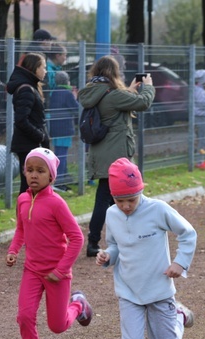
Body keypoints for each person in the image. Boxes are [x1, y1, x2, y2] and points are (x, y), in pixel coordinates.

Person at [95, 157, 197, 339]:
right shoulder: (111, 214)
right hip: (128, 291)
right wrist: (108, 256)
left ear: (141, 191)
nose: (126, 206)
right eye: (120, 201)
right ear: (113, 198)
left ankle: (180, 315)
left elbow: (188, 233)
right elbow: (116, 246)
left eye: (132, 199)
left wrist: (180, 263)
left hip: (159, 288)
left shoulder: (158, 209)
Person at [6, 147, 92, 339]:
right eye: (29, 170)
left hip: (57, 274)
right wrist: (14, 250)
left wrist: (61, 270)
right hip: (32, 271)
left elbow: (77, 238)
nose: (33, 175)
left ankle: (78, 305)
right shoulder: (22, 199)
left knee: (58, 326)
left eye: (40, 171)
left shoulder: (56, 203)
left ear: (51, 176)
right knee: (24, 316)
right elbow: (21, 229)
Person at [77, 55, 155, 258]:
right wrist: (147, 87)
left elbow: (116, 104)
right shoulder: (113, 94)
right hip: (117, 155)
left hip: (101, 153)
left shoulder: (94, 91)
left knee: (111, 200)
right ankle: (102, 241)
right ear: (114, 72)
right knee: (116, 198)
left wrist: (128, 90)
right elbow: (143, 102)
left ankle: (107, 240)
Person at [6, 52, 50, 194]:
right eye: (43, 67)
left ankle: (32, 215)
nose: (45, 71)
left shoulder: (31, 86)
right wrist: (40, 136)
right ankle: (25, 215)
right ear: (34, 68)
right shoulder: (26, 89)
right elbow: (21, 120)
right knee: (29, 187)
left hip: (31, 144)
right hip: (28, 145)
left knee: (33, 186)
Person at [49, 71, 80, 189]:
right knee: (62, 154)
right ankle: (59, 181)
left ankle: (62, 177)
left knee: (58, 153)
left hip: (55, 128)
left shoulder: (54, 93)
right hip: (65, 128)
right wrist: (75, 97)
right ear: (66, 81)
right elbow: (76, 109)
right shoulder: (67, 94)